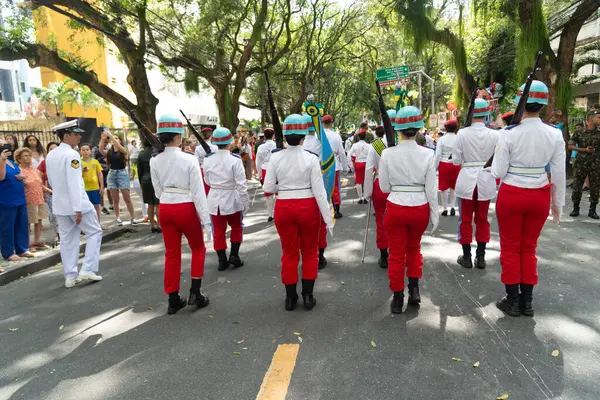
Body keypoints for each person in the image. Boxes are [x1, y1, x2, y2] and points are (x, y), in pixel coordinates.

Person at [491, 80, 566, 317]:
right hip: (540, 194)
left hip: (512, 193)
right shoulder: (554, 134)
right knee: (529, 248)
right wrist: (558, 204)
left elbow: (498, 172)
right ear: (543, 105)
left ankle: (512, 300)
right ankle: (528, 302)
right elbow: (559, 173)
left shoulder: (508, 134)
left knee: (511, 249)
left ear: (519, 102)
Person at [263, 114, 333, 311]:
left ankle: (290, 297)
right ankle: (308, 296)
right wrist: (328, 218)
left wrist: (284, 188)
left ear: (285, 136)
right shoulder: (311, 158)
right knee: (310, 252)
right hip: (307, 206)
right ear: (304, 135)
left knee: (289, 252)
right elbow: (319, 191)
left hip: (284, 207)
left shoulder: (275, 157)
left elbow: (267, 187)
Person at [150, 114, 212, 315]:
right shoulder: (189, 158)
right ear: (178, 136)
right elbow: (198, 192)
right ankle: (195, 292)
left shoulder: (155, 160)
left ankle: (173, 298)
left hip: (166, 208)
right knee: (198, 248)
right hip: (185, 206)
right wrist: (206, 220)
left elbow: (157, 191)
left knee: (172, 253)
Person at [379, 106, 438, 314]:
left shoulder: (386, 153)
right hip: (419, 207)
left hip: (396, 206)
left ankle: (397, 299)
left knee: (395, 254)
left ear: (398, 129)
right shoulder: (428, 154)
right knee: (414, 249)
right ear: (419, 129)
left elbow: (384, 187)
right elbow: (431, 189)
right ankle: (414, 292)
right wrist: (434, 213)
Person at [47, 120, 103, 288]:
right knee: (94, 232)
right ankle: (88, 268)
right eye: (76, 134)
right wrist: (77, 208)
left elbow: (51, 181)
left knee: (67, 240)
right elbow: (74, 182)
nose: (80, 137)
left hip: (60, 204)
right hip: (76, 203)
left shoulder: (51, 154)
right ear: (66, 136)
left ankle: (70, 276)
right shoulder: (72, 155)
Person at [452, 98, 499, 269]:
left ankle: (466, 257)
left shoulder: (462, 134)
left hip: (467, 180)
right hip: (486, 180)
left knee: (465, 219)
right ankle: (480, 257)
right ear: (486, 113)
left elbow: (456, 161)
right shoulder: (495, 134)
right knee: (482, 219)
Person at [203, 127, 250, 271]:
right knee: (236, 227)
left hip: (215, 198)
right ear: (231, 142)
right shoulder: (235, 160)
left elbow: (207, 181)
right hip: (232, 198)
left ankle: (222, 260)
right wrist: (245, 203)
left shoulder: (207, 160)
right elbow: (241, 184)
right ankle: (234, 255)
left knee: (218, 230)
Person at [301, 115, 329, 269]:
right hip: (318, 185)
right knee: (321, 223)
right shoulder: (321, 143)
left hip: (300, 191)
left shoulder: (296, 147)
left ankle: (307, 255)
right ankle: (321, 255)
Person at [364, 117, 392, 269]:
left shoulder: (375, 145)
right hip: (401, 187)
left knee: (381, 221)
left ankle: (384, 256)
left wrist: (367, 192)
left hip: (381, 185)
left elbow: (369, 169)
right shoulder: (403, 143)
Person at [0, 139, 34, 263]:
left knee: (21, 224)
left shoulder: (11, 162)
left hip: (19, 197)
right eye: (2, 145)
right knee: (7, 227)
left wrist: (21, 176)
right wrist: (2, 160)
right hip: (6, 199)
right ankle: (8, 252)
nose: (5, 147)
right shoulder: (2, 160)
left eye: (6, 145)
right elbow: (1, 177)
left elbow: (17, 173)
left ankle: (22, 248)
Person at [14, 147, 51, 250]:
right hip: (28, 199)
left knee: (39, 220)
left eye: (29, 155)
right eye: (25, 156)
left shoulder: (34, 169)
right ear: (19, 158)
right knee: (28, 222)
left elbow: (38, 183)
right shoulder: (18, 171)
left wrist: (47, 190)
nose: (28, 158)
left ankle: (37, 240)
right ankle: (27, 244)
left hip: (39, 198)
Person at [100, 132, 137, 226]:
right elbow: (101, 150)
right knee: (115, 199)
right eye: (113, 138)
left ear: (120, 140)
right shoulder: (109, 151)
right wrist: (102, 138)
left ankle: (133, 217)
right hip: (112, 174)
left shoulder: (123, 150)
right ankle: (118, 218)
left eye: (117, 138)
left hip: (122, 174)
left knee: (126, 197)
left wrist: (111, 136)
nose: (114, 140)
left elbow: (118, 146)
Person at [568, 110, 600, 219]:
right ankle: (575, 208)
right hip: (580, 163)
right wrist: (584, 149)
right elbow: (570, 146)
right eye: (599, 117)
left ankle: (593, 210)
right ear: (591, 118)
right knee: (577, 186)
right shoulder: (579, 132)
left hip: (595, 164)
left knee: (595, 187)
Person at [322, 115, 349, 218]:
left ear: (322, 123)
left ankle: (324, 210)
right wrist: (345, 167)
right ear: (331, 123)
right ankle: (337, 210)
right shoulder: (336, 136)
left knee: (322, 187)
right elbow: (341, 153)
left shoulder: (318, 135)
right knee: (335, 188)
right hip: (334, 165)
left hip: (322, 165)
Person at [435, 119, 460, 216]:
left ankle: (445, 208)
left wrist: (435, 168)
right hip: (455, 164)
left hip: (444, 164)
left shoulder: (441, 139)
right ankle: (453, 206)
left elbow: (438, 155)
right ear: (456, 128)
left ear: (445, 128)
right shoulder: (458, 138)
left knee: (444, 188)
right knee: (454, 187)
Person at [38, 142, 60, 247]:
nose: (53, 151)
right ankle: (58, 235)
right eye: (51, 149)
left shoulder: (64, 161)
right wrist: (44, 190)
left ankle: (67, 235)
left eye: (56, 149)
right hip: (49, 193)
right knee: (53, 216)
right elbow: (39, 179)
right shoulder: (44, 163)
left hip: (63, 192)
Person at [137, 139, 161, 233]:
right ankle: (159, 224)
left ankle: (152, 225)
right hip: (155, 179)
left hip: (145, 180)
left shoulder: (141, 154)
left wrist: (141, 182)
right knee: (157, 203)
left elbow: (140, 171)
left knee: (150, 204)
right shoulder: (157, 153)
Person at [255, 128, 277, 222]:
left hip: (265, 169)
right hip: (276, 168)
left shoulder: (261, 147)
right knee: (277, 192)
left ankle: (270, 214)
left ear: (264, 136)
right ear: (273, 135)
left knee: (268, 194)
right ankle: (276, 212)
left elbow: (258, 162)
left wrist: (259, 174)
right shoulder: (276, 145)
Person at [79, 144, 104, 222]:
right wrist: (82, 170)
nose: (85, 152)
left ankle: (98, 223)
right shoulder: (78, 162)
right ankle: (88, 224)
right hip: (84, 189)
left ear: (90, 151)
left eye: (87, 150)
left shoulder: (95, 162)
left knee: (96, 206)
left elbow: (100, 174)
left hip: (95, 188)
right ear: (80, 152)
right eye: (83, 150)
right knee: (86, 208)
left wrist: (102, 186)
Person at [347, 128, 370, 204]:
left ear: (359, 136)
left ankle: (360, 198)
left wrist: (351, 166)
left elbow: (348, 155)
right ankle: (366, 198)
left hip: (358, 164)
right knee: (366, 181)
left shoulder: (355, 145)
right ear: (365, 136)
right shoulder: (369, 146)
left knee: (359, 182)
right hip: (366, 164)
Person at [194, 127, 218, 194]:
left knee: (203, 191)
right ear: (211, 135)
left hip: (202, 170)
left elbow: (196, 162)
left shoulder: (198, 148)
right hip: (213, 170)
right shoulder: (215, 147)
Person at [93, 132, 112, 215]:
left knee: (110, 189)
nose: (106, 144)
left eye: (107, 142)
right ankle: (102, 206)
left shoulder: (108, 150)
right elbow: (93, 161)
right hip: (100, 172)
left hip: (108, 171)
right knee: (101, 190)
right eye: (105, 142)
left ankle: (112, 205)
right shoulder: (95, 149)